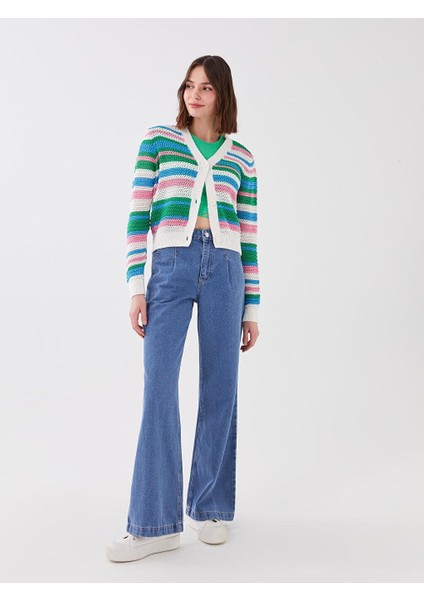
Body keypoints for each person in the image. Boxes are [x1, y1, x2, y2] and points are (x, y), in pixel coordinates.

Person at [106, 55, 260, 563]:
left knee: (221, 387)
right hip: (170, 266)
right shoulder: (158, 141)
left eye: (207, 87)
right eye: (190, 85)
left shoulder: (242, 157)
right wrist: (136, 285)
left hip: (227, 270)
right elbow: (137, 217)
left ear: (223, 95)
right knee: (158, 386)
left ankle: (210, 507)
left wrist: (252, 307)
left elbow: (249, 234)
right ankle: (154, 524)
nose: (195, 94)